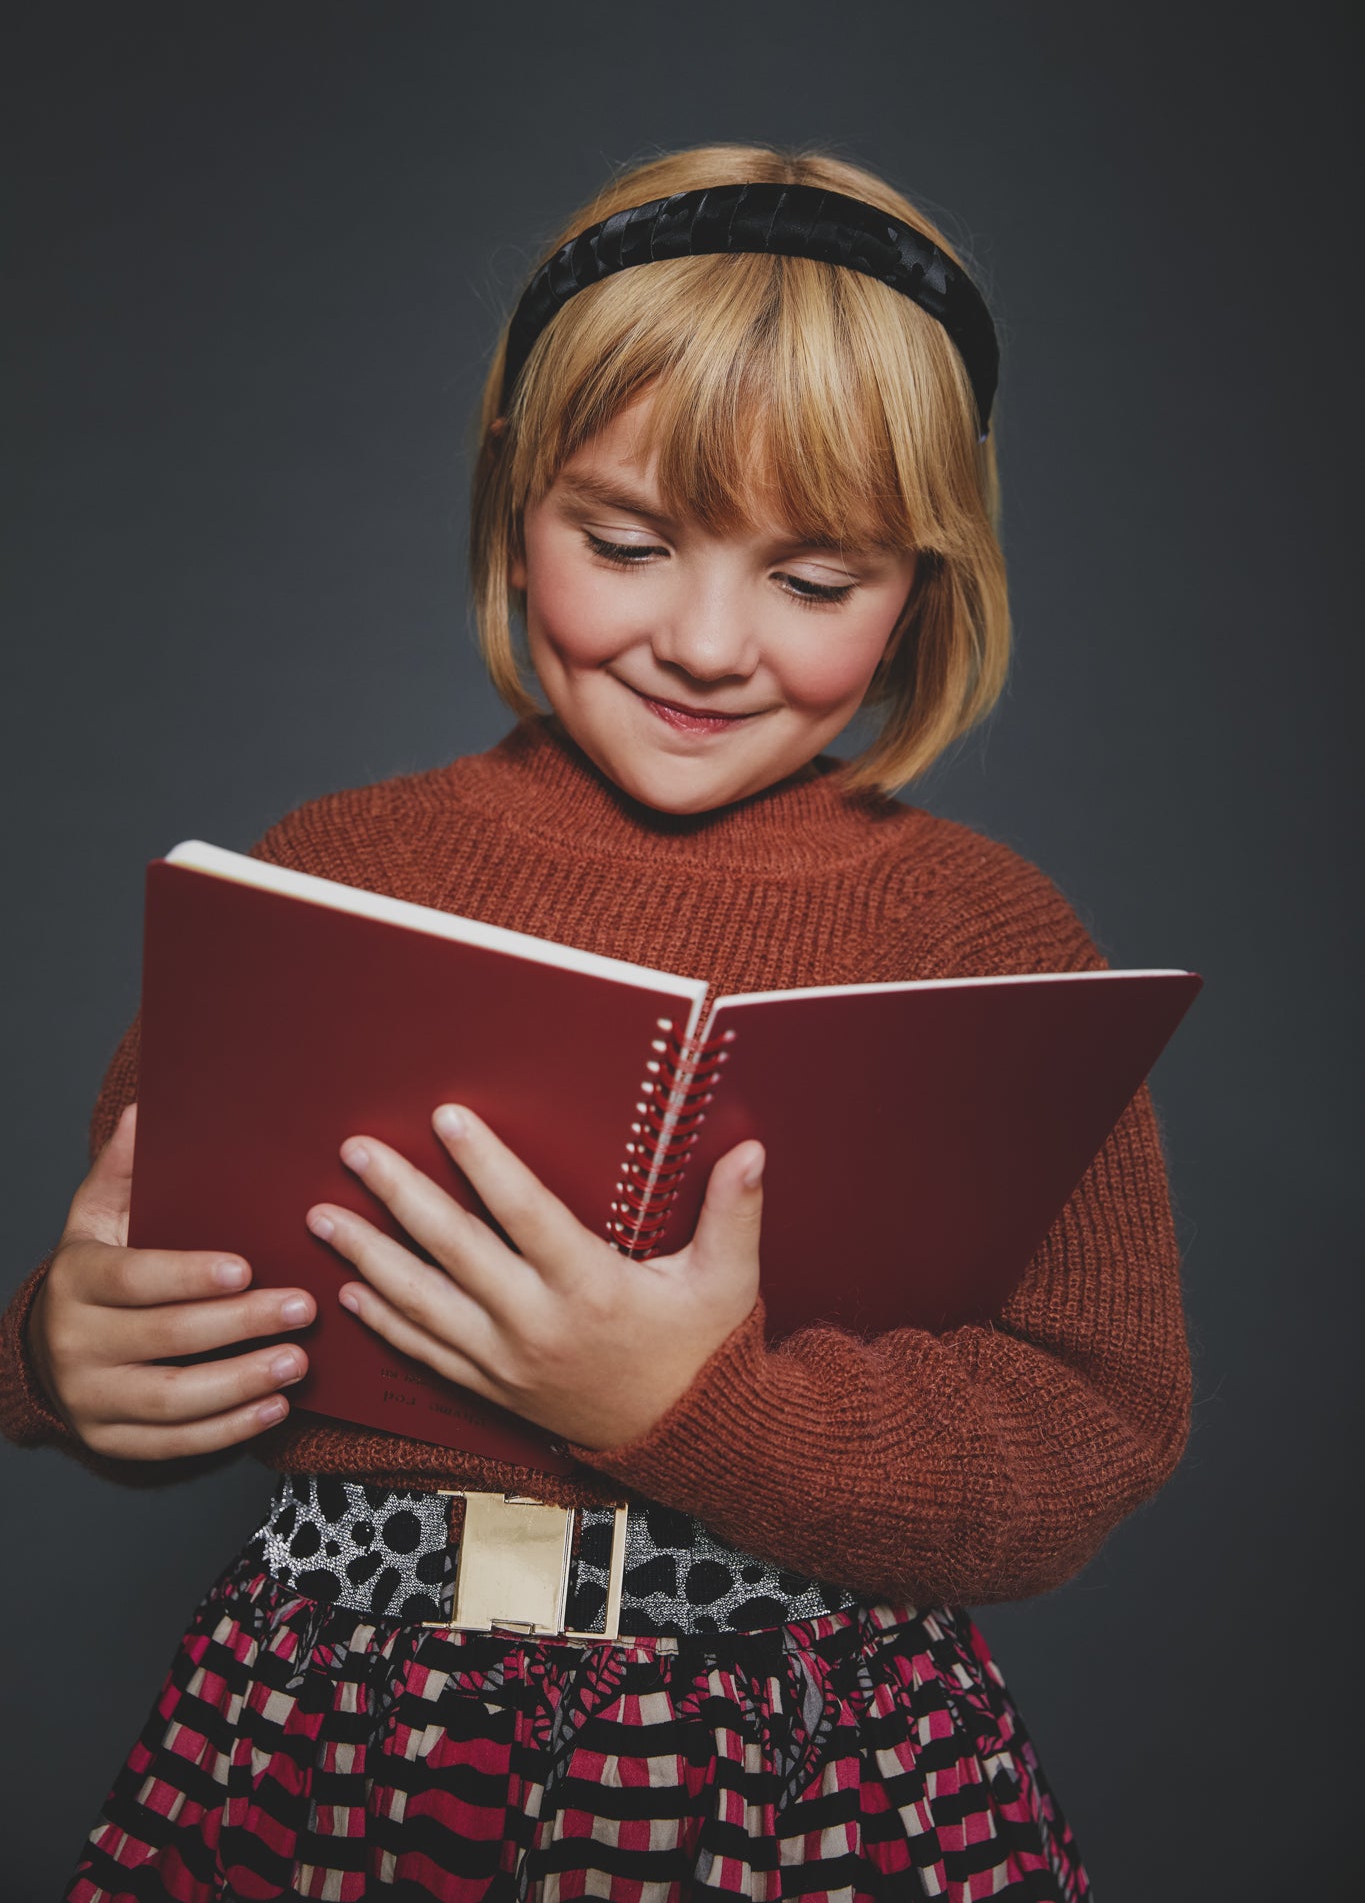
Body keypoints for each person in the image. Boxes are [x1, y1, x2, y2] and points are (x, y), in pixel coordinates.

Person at [0, 144, 1191, 1902]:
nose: (706, 641)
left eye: (815, 580)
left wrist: (689, 1405)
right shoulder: (331, 871)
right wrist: (57, 1361)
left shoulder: (984, 931)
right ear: (515, 502)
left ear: (927, 582)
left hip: (808, 1748)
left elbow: (1091, 1431)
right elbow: (154, 1279)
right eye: (624, 541)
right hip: (343, 1725)